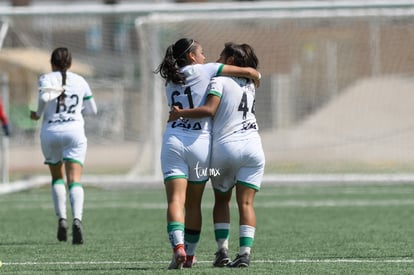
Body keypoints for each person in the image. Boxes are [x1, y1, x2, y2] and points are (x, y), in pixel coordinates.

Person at [154, 38, 261, 269]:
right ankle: (191, 255)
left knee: (175, 200)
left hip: (174, 141)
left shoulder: (170, 80)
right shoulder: (210, 71)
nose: (206, 56)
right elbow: (247, 71)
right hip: (202, 146)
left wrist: (180, 113)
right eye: (201, 52)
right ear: (192, 56)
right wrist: (256, 75)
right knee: (194, 204)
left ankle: (179, 248)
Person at [30, 47, 98, 245]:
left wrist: (37, 113)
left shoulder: (46, 78)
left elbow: (43, 98)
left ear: (52, 63)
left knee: (56, 177)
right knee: (74, 179)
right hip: (74, 132)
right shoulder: (80, 80)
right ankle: (77, 219)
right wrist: (75, 116)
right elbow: (92, 110)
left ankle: (62, 220)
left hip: (50, 132)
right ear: (70, 63)